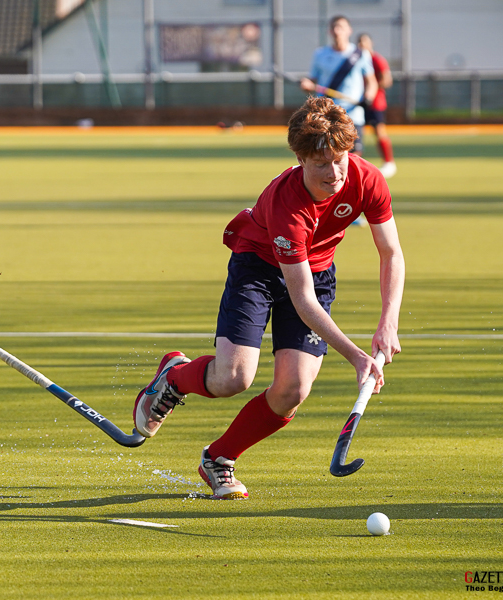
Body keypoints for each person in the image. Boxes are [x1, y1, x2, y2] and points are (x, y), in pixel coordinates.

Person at [133, 97, 404, 500]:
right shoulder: (286, 205)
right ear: (299, 158)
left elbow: (391, 253)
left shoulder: (366, 179)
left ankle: (219, 458)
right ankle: (173, 378)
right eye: (320, 164)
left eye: (340, 160)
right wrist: (356, 355)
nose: (334, 174)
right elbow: (302, 300)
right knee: (232, 378)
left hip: (316, 269)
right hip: (258, 268)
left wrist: (388, 320)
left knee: (293, 389)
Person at [300, 15, 377, 158]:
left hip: (353, 115)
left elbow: (372, 82)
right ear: (329, 31)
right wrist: (307, 85)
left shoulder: (360, 55)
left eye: (340, 27)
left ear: (349, 30)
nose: (337, 31)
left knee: (354, 158)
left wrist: (368, 97)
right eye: (333, 27)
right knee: (325, 157)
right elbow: (311, 81)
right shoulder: (320, 54)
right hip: (326, 114)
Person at [358, 33, 397, 179]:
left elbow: (387, 80)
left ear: (371, 43)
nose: (362, 45)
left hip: (375, 103)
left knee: (379, 132)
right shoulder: (356, 60)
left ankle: (389, 162)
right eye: (360, 42)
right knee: (355, 134)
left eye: (365, 42)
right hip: (358, 103)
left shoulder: (377, 60)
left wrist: (371, 89)